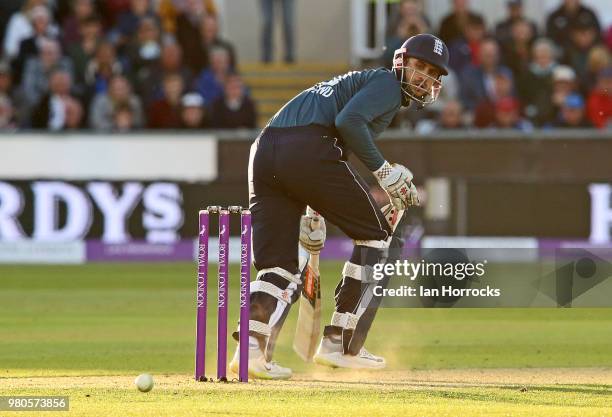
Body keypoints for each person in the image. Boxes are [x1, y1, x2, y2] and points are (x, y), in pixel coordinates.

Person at [228, 33, 449, 380]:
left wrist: (314, 209)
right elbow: (348, 123)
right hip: (307, 148)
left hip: (266, 149)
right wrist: (384, 172)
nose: (424, 77)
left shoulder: (361, 84)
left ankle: (251, 352)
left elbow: (334, 140)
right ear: (401, 62)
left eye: (433, 72)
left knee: (278, 265)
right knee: (376, 237)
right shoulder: (386, 85)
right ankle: (341, 344)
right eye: (419, 66)